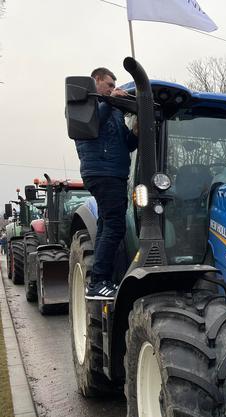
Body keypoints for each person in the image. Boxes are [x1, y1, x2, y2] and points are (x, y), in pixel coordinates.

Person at [74, 67, 137, 300]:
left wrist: (137, 132)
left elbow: (125, 144)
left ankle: (102, 281)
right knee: (115, 226)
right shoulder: (84, 105)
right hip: (103, 172)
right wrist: (110, 100)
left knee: (106, 225)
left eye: (113, 85)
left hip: (116, 173)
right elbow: (92, 125)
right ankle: (98, 281)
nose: (113, 88)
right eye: (109, 84)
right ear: (96, 81)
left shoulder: (115, 111)